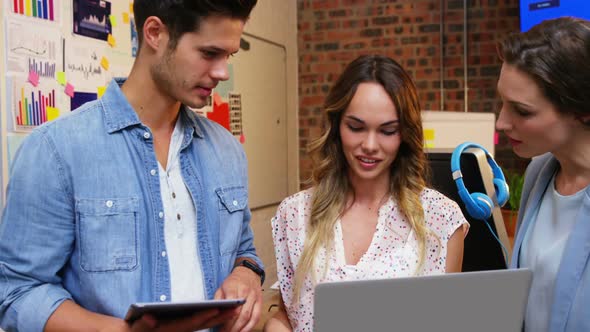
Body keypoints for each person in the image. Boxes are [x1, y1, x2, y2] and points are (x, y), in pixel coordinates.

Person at [0, 1, 265, 331]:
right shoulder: (56, 151)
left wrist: (246, 274)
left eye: (229, 56)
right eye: (209, 53)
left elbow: (244, 251)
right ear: (155, 33)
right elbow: (17, 293)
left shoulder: (227, 151)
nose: (222, 72)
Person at [264, 55, 469, 331]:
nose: (369, 145)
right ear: (336, 126)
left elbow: (447, 323)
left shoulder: (440, 218)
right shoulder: (295, 213)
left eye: (387, 131)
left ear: (404, 135)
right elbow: (287, 313)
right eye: (356, 127)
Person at [495, 17, 590, 332]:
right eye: (502, 104)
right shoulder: (539, 173)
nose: (501, 123)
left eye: (522, 111)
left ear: (582, 110)